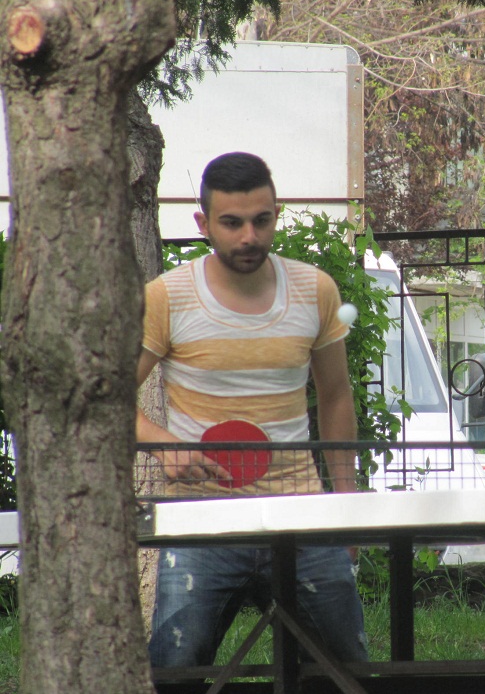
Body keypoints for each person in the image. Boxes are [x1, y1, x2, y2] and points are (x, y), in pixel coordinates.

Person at [137, 151, 368, 668]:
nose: (249, 237)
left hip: (301, 515)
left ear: (277, 214)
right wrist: (162, 443)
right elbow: (107, 398)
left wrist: (346, 504)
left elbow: (335, 395)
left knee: (346, 668)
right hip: (200, 521)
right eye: (232, 223)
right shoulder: (166, 297)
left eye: (262, 220)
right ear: (203, 224)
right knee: (175, 670)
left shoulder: (315, 289)